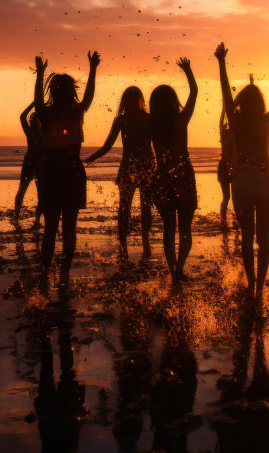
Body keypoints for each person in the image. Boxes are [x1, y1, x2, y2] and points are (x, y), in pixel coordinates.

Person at [215, 42, 269, 301]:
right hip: (265, 180)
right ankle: (260, 286)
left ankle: (251, 281)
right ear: (261, 102)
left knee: (246, 237)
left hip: (242, 182)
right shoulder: (267, 120)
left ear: (242, 102)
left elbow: (224, 91)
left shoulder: (235, 118)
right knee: (263, 238)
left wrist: (221, 62)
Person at [33, 52, 99, 273]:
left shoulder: (47, 113)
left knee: (51, 227)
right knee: (69, 227)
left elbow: (38, 102)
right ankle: (64, 272)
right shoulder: (75, 112)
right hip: (71, 172)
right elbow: (88, 97)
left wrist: (40, 74)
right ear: (71, 92)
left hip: (53, 172)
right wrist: (93, 69)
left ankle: (46, 271)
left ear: (52, 91)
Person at [84, 87, 155, 263]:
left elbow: (107, 146)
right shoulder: (148, 119)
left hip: (129, 167)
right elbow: (160, 145)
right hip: (147, 167)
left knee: (124, 208)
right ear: (141, 99)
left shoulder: (122, 120)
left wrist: (89, 159)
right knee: (145, 207)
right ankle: (145, 247)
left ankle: (124, 247)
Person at [149, 59, 199, 282]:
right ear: (173, 102)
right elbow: (195, 92)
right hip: (183, 176)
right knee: (186, 228)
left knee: (168, 229)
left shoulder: (151, 125)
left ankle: (172, 271)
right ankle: (179, 268)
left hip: (162, 178)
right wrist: (188, 70)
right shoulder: (181, 121)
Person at [13, 100, 46, 227]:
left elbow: (23, 117)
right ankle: (18, 216)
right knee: (24, 189)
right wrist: (35, 103)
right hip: (33, 162)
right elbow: (22, 116)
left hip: (37, 163)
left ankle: (35, 220)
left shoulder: (38, 132)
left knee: (39, 193)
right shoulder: (33, 132)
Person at [216, 107, 234, 231]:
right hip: (224, 167)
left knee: (233, 197)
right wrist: (224, 108)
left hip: (234, 167)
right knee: (227, 196)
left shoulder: (237, 132)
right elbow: (222, 119)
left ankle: (234, 220)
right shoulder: (224, 131)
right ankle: (223, 220)